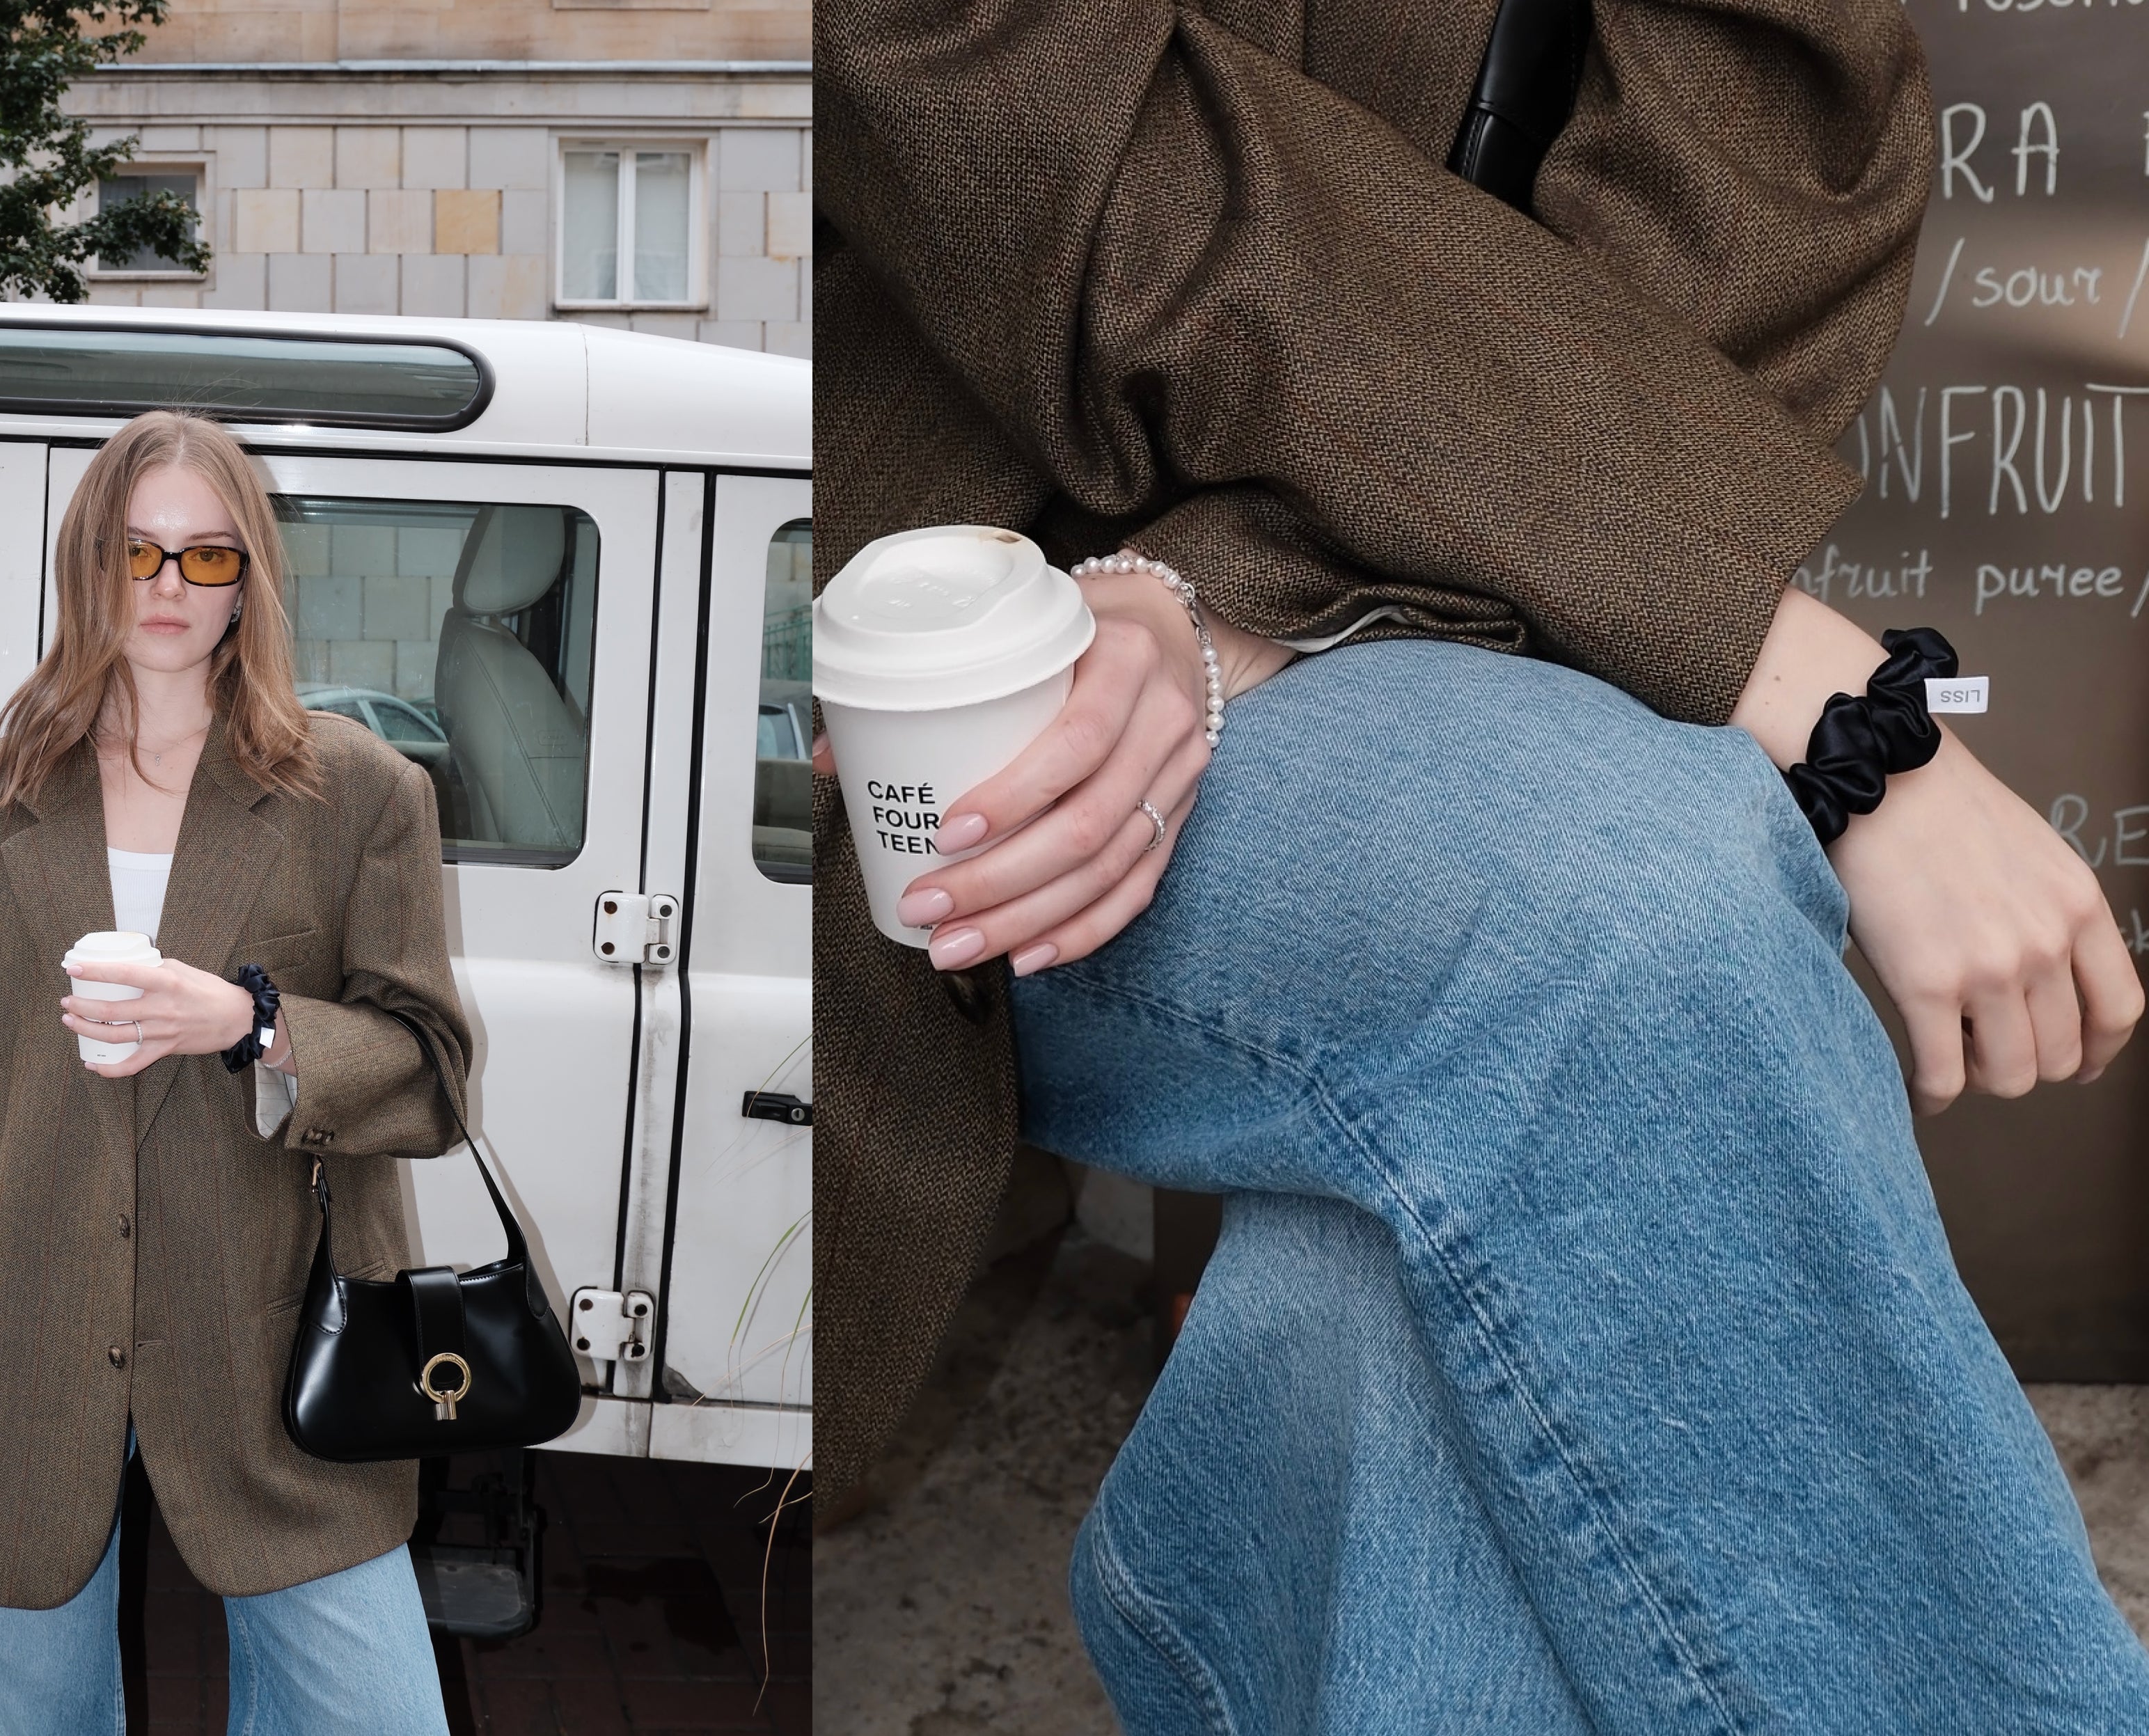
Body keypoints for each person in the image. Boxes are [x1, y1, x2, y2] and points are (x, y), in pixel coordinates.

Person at [810, 0, 2149, 1726]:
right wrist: (1812, 679)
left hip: (1475, 578)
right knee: (1626, 908)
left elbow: (1757, 182)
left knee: (1407, 1275)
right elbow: (1040, 132)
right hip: (981, 632)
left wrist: (1238, 590)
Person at [0, 411, 469, 1735]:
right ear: (90, 565)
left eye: (206, 557)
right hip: (13, 1338)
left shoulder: (359, 794)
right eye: (139, 555)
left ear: (249, 574)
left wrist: (250, 1021)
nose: (170, 591)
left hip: (275, 1343)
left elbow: (430, 1075)